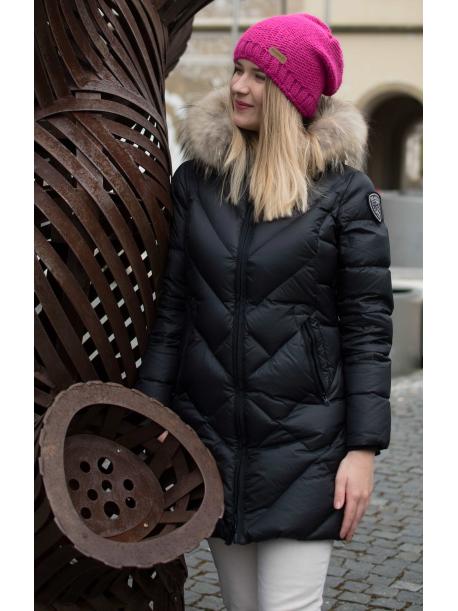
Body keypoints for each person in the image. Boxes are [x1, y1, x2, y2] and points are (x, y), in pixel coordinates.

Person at [136, 12, 393, 611]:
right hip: (211, 442)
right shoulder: (197, 183)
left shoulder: (346, 194)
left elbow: (368, 331)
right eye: (237, 69)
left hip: (307, 448)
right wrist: (151, 414)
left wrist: (362, 451)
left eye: (258, 75)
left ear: (291, 93)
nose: (238, 86)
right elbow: (173, 311)